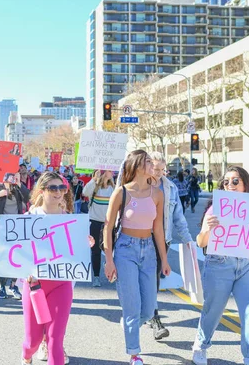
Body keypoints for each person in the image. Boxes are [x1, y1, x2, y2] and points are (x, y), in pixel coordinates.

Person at [103, 150, 171, 365]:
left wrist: (164, 259)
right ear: (137, 166)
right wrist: (109, 260)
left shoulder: (158, 194)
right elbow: (107, 227)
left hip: (148, 250)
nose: (152, 165)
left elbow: (158, 228)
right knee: (132, 307)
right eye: (148, 161)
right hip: (125, 250)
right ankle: (135, 354)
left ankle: (129, 324)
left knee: (149, 308)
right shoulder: (121, 193)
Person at [192, 166, 249, 365]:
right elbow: (201, 242)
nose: (230, 185)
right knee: (213, 311)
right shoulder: (215, 208)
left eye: (235, 181)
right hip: (219, 264)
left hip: (247, 265)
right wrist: (207, 229)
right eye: (226, 182)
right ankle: (201, 346)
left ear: (245, 184)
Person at [21, 172, 81, 365]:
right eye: (53, 188)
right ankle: (26, 355)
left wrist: (84, 243)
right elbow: (17, 253)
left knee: (56, 339)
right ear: (42, 190)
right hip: (35, 285)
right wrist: (26, 272)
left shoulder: (70, 219)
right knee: (33, 340)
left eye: (61, 188)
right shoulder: (29, 217)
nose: (58, 192)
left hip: (61, 284)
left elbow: (75, 251)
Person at [147, 152, 194, 341]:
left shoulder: (171, 188)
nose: (158, 173)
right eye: (155, 169)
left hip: (162, 241)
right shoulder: (138, 185)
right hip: (139, 239)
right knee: (142, 281)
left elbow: (179, 218)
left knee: (153, 281)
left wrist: (188, 240)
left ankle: (153, 316)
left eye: (162, 169)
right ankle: (146, 313)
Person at [0, 172, 29, 299]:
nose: (11, 180)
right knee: (1, 257)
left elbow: (28, 198)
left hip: (16, 227)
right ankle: (2, 286)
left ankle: (13, 285)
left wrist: (20, 183)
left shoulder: (17, 188)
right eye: (9, 177)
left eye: (13, 177)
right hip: (0, 227)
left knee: (17, 257)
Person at [82, 169, 115, 287]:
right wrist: (94, 179)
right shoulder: (95, 187)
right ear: (103, 172)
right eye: (109, 170)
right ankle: (96, 276)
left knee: (109, 250)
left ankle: (110, 270)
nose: (112, 172)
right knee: (95, 251)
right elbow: (85, 192)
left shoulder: (113, 188)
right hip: (95, 222)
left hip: (108, 224)